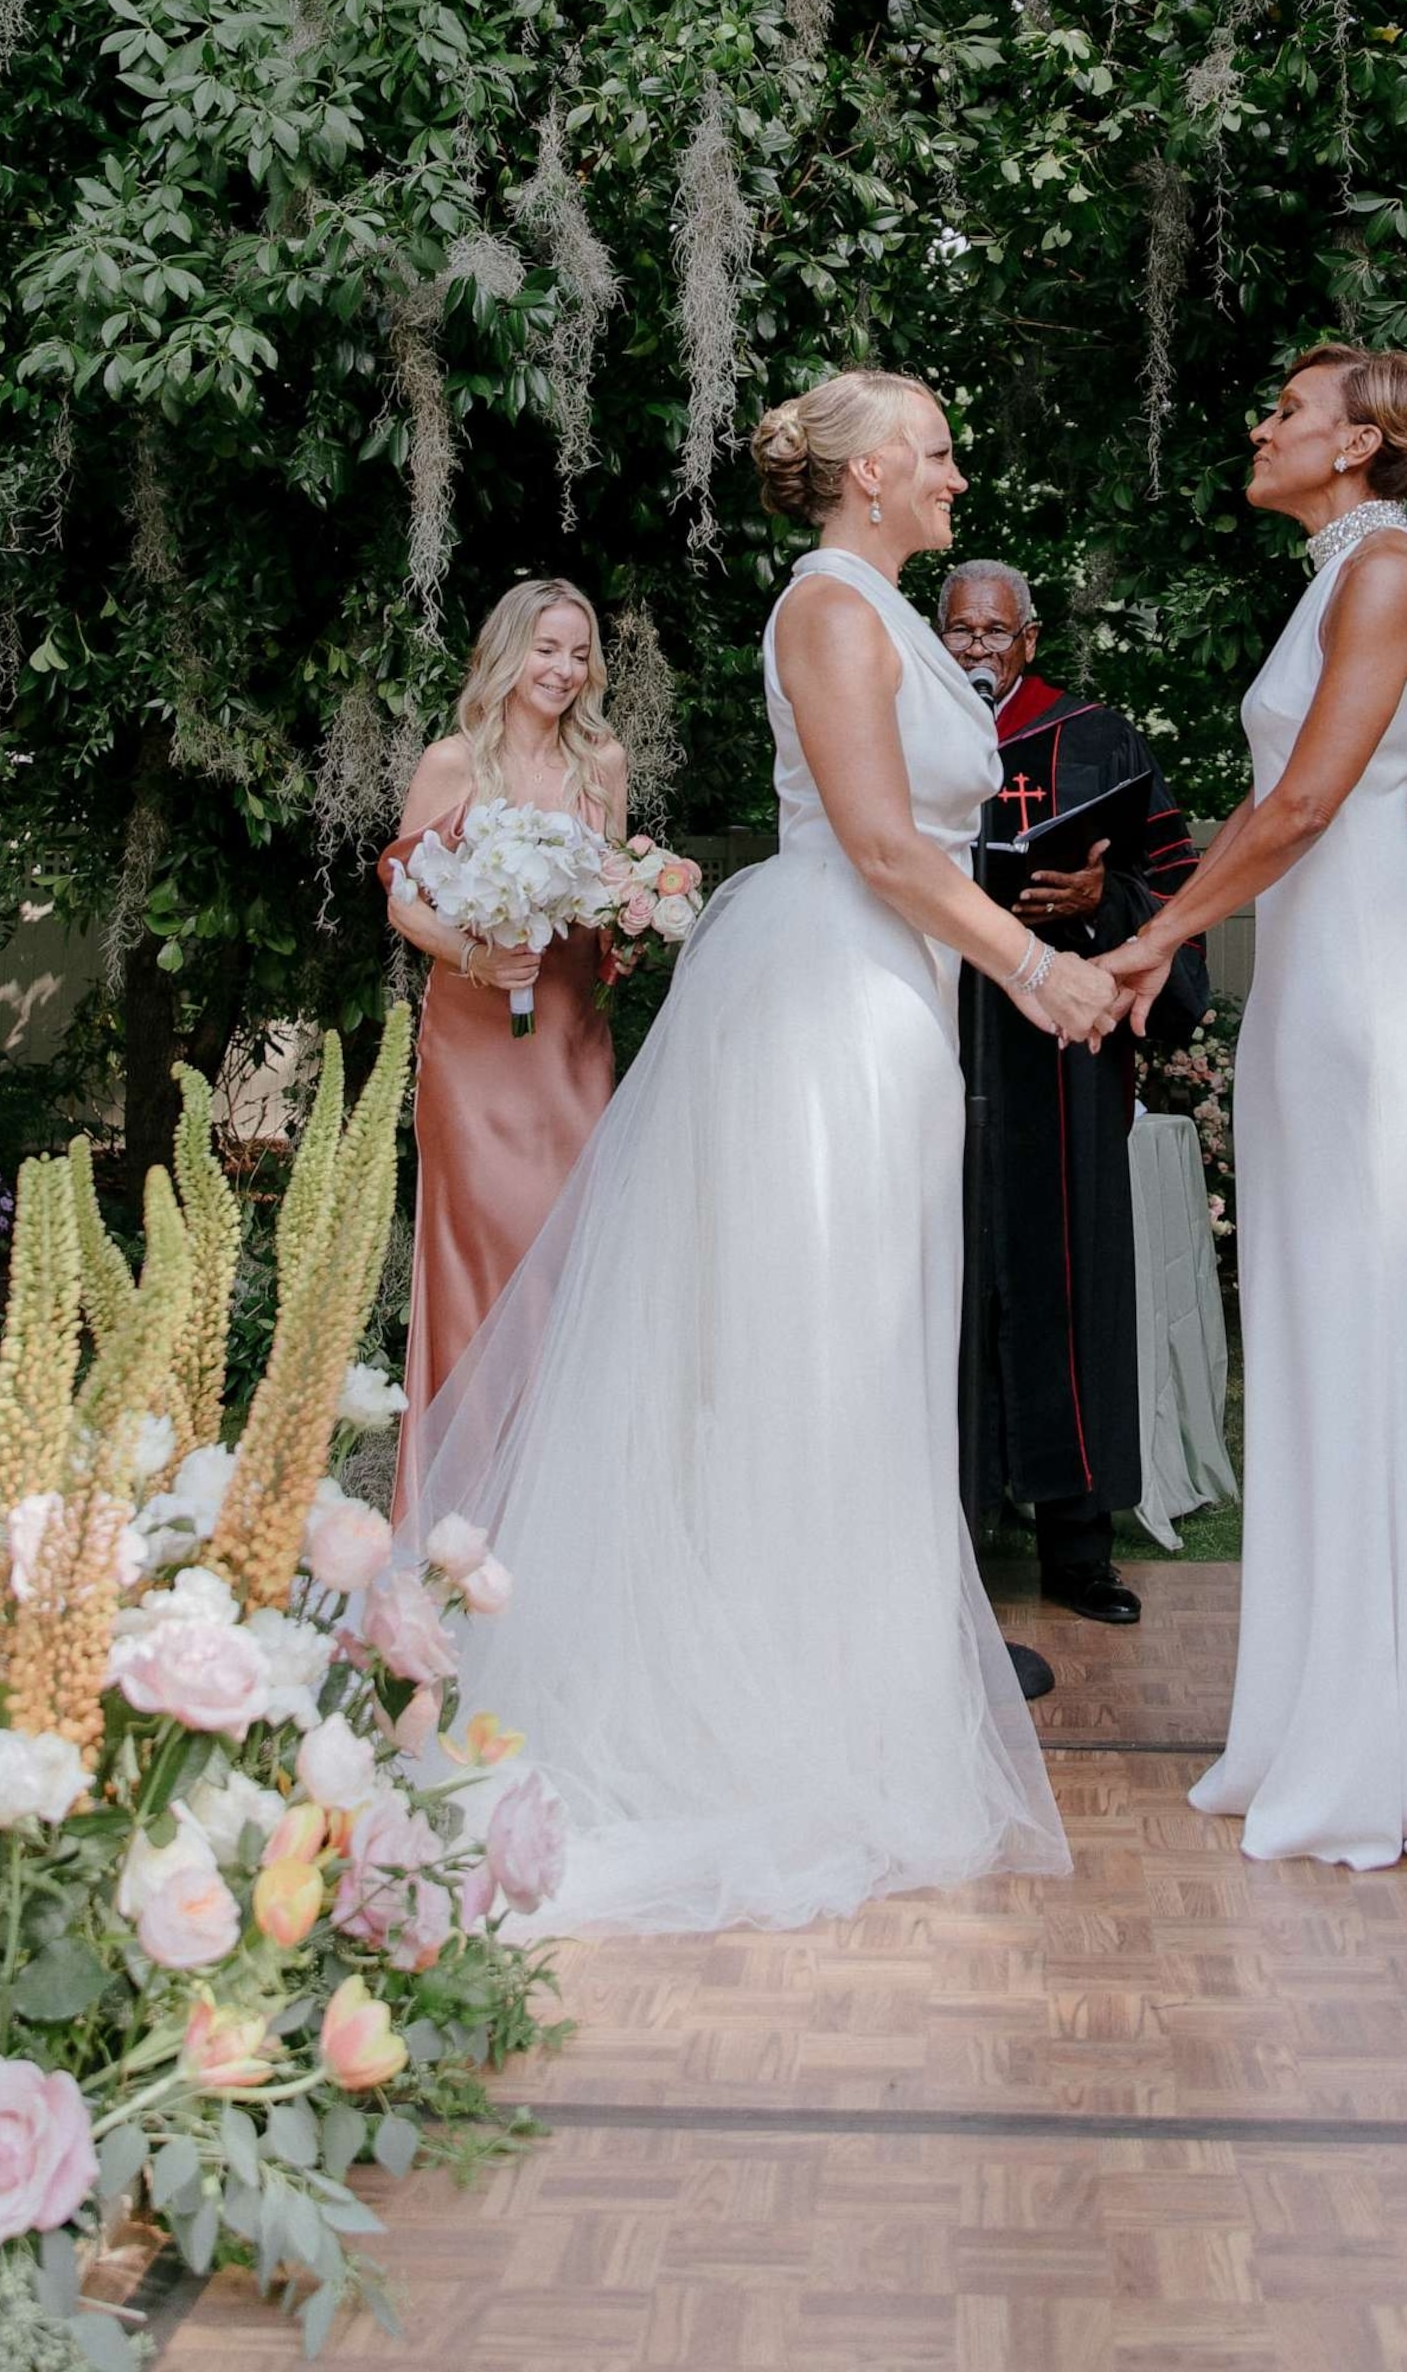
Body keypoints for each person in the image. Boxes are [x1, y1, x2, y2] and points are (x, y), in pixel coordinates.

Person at [404, 370, 1111, 1929]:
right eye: (936, 451)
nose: (955, 475)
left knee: (873, 1353)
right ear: (866, 477)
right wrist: (1033, 964)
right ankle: (777, 1718)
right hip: (828, 1002)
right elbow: (874, 841)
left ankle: (850, 1692)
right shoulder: (829, 612)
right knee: (815, 1351)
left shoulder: (893, 608)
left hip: (892, 1000)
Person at [1102, 345, 1407, 1870]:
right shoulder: (1335, 573)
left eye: (1290, 409)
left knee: (1375, 1296)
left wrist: (1156, 936)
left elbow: (1308, 801)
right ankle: (1327, 1708)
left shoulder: (1389, 569)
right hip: (1312, 964)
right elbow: (1280, 809)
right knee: (1317, 1310)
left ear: (1364, 443)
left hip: (1366, 964)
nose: (1262, 422)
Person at [939, 558, 1208, 1627]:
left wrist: (1105, 902)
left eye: (995, 632)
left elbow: (1179, 888)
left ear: (1031, 639)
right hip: (941, 1032)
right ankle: (944, 1523)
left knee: (1071, 1272)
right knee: (943, 1275)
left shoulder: (1096, 736)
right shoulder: (901, 723)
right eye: (958, 630)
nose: (975, 650)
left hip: (1065, 1037)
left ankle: (1077, 1543)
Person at [381, 581, 625, 1513]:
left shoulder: (602, 764)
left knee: (569, 1254)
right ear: (508, 652)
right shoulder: (453, 762)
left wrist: (634, 927)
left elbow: (610, 891)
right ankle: (456, 1505)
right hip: (476, 1046)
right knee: (479, 1251)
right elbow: (405, 900)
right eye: (547, 649)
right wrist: (477, 953)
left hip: (567, 1037)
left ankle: (555, 1505)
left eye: (579, 653)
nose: (563, 670)